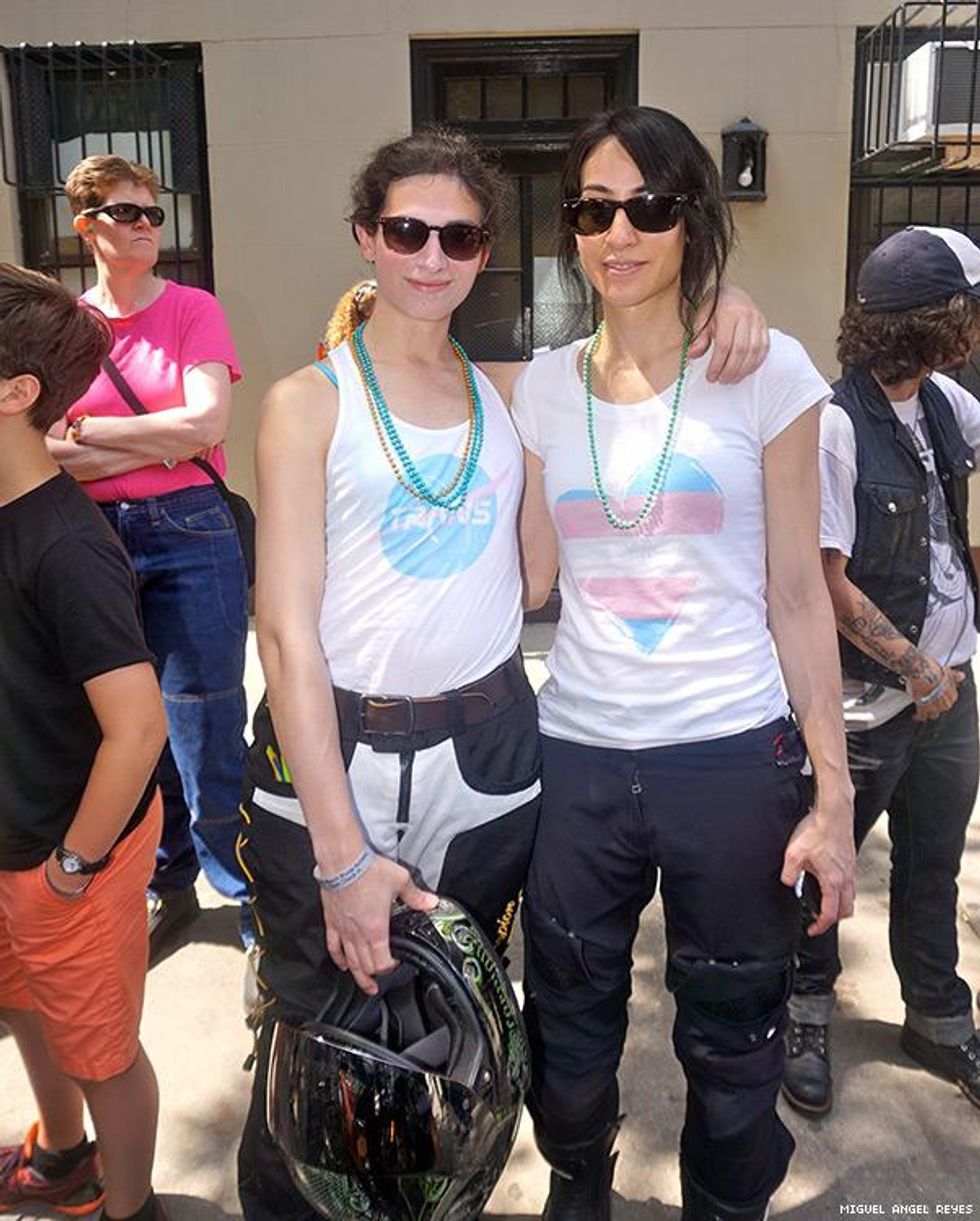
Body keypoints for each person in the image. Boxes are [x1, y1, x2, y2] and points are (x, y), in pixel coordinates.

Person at [235, 124, 769, 1221]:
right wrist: (341, 856)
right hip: (331, 750)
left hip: (484, 757)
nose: (432, 257)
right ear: (365, 237)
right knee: (310, 1031)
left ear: (487, 251)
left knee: (455, 1032)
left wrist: (722, 299)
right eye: (407, 232)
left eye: (461, 237)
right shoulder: (308, 402)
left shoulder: (511, 393)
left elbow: (545, 553)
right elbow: (284, 632)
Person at [513, 106, 857, 1221]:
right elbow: (525, 577)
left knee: (733, 1031)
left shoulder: (764, 370)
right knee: (566, 1024)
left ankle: (724, 1200)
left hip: (730, 754)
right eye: (593, 210)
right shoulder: (542, 387)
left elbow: (798, 594)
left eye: (649, 208)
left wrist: (833, 793)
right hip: (578, 752)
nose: (619, 233)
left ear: (691, 219)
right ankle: (578, 1178)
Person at [781, 225, 980, 1118]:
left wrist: (947, 669)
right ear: (935, 319)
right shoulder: (835, 426)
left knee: (932, 863)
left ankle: (937, 1017)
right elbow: (826, 580)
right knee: (823, 865)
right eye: (970, 309)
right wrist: (915, 666)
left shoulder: (944, 404)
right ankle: (804, 1012)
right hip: (869, 700)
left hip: (952, 691)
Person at [46, 154, 251, 953]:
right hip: (93, 540)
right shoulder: (66, 326)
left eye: (153, 214)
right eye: (126, 212)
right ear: (86, 225)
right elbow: (46, 449)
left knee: (206, 721)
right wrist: (155, 442)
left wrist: (96, 434)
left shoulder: (193, 309)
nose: (145, 227)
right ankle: (169, 884)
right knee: (129, 726)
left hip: (190, 530)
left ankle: (250, 901)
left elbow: (205, 424)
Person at [0, 264, 168, 1221]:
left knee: (103, 1052)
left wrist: (72, 865)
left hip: (72, 850)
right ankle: (63, 1155)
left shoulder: (65, 545)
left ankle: (131, 1205)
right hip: (13, 834)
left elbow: (137, 728)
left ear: (17, 392)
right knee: (24, 1001)